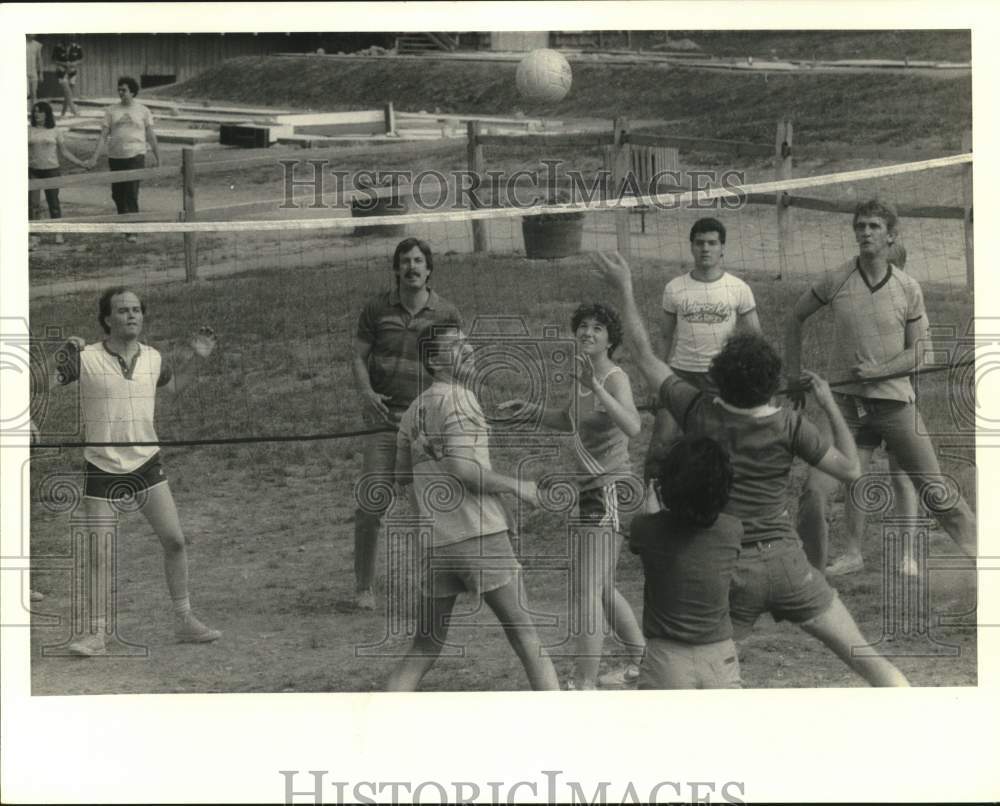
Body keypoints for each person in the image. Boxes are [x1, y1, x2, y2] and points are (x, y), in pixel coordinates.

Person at [594, 250, 908, 687]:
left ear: (719, 379)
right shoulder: (790, 424)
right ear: (770, 383)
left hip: (727, 566)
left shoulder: (699, 410)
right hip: (786, 563)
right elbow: (852, 469)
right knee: (868, 660)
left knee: (700, 665)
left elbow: (646, 355)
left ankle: (653, 679)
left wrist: (624, 289)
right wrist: (830, 404)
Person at [786, 199, 976, 577]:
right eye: (860, 226)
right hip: (843, 409)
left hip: (893, 406)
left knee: (937, 492)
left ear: (891, 235)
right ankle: (811, 574)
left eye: (874, 226)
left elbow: (923, 352)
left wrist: (880, 370)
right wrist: (792, 375)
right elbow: (794, 317)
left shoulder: (907, 287)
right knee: (814, 492)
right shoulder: (836, 278)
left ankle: (984, 558)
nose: (865, 233)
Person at [387, 321, 560, 691]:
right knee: (527, 638)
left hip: (437, 543)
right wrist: (521, 487)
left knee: (425, 646)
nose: (469, 350)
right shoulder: (461, 399)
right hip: (480, 535)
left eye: (468, 343)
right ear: (434, 361)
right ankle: (561, 729)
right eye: (457, 346)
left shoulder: (412, 412)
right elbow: (465, 471)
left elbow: (402, 477)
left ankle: (377, 724)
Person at [50, 287, 221, 656]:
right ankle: (96, 634)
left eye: (136, 310)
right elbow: (45, 384)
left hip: (145, 463)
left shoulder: (154, 358)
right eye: (122, 310)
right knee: (100, 551)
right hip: (102, 465)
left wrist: (197, 357)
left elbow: (174, 388)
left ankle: (184, 619)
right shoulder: (87, 357)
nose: (131, 315)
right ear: (107, 319)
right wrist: (62, 355)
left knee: (175, 541)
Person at [498, 303, 645, 690]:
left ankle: (584, 684)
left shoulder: (613, 378)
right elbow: (569, 419)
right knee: (602, 588)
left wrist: (597, 387)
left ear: (611, 339)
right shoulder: (581, 377)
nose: (588, 332)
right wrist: (530, 410)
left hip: (608, 489)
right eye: (583, 326)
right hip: (587, 491)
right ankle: (643, 664)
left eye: (598, 327)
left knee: (586, 591)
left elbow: (632, 425)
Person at [351, 238, 463, 610]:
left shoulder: (446, 312)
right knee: (370, 504)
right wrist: (366, 392)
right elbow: (357, 357)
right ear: (396, 269)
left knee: (429, 507)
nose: (411, 267)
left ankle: (434, 582)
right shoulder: (376, 309)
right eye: (404, 261)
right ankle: (364, 588)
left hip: (425, 424)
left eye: (418, 261)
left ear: (429, 269)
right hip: (384, 421)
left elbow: (457, 366)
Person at [645, 217, 760, 481]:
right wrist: (656, 383)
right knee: (660, 447)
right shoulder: (675, 287)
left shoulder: (738, 288)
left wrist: (753, 385)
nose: (705, 249)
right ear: (691, 247)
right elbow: (664, 337)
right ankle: (652, 510)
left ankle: (718, 509)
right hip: (679, 376)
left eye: (712, 243)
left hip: (720, 380)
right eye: (699, 243)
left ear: (723, 248)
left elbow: (756, 340)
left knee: (720, 450)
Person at [629, 437, 744, 689]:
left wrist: (654, 503)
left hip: (665, 659)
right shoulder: (733, 530)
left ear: (667, 487)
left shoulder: (645, 529)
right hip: (720, 656)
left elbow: (645, 533)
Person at [87, 76, 160, 240]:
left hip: (136, 155)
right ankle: (124, 223)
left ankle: (132, 231)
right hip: (116, 156)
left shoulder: (143, 110)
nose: (121, 93)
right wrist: (94, 157)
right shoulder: (111, 111)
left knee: (131, 192)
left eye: (124, 90)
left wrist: (157, 156)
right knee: (117, 194)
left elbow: (150, 135)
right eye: (119, 90)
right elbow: (103, 135)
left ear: (132, 92)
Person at [28, 101, 88, 248]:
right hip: (33, 171)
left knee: (53, 203)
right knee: (33, 205)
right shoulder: (28, 130)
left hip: (51, 170)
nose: (37, 114)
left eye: (40, 111)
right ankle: (34, 236)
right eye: (35, 111)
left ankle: (58, 231)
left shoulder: (55, 131)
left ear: (47, 114)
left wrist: (81, 163)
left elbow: (64, 152)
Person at [52, 38, 83, 117]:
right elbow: (53, 59)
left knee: (68, 94)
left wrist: (73, 63)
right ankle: (74, 111)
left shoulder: (77, 47)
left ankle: (63, 113)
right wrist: (64, 64)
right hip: (61, 71)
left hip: (72, 71)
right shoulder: (58, 47)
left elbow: (81, 59)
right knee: (67, 91)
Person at [26, 35, 44, 113]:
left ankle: (33, 112)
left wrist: (41, 73)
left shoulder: (37, 45)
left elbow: (39, 59)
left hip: (33, 71)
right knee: (26, 93)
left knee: (34, 92)